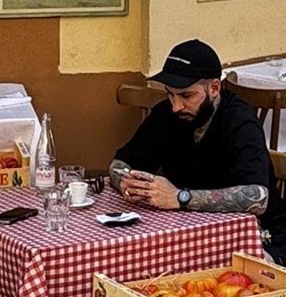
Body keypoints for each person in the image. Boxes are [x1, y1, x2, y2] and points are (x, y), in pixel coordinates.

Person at [110, 39, 274, 223]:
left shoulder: (240, 121)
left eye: (186, 95)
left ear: (213, 88)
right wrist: (127, 183)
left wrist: (180, 197)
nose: (176, 106)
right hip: (184, 224)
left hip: (249, 233)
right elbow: (120, 163)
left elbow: (259, 197)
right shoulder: (166, 113)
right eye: (170, 94)